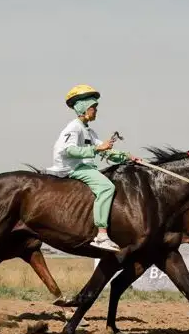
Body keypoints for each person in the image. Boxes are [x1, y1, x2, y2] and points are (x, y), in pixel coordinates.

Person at [50, 84, 137, 252]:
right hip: (71, 168)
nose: (96, 111)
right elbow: (69, 150)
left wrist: (127, 156)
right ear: (83, 108)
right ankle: (102, 235)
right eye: (93, 108)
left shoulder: (88, 130)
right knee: (106, 187)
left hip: (82, 166)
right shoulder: (74, 127)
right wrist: (97, 149)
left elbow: (106, 150)